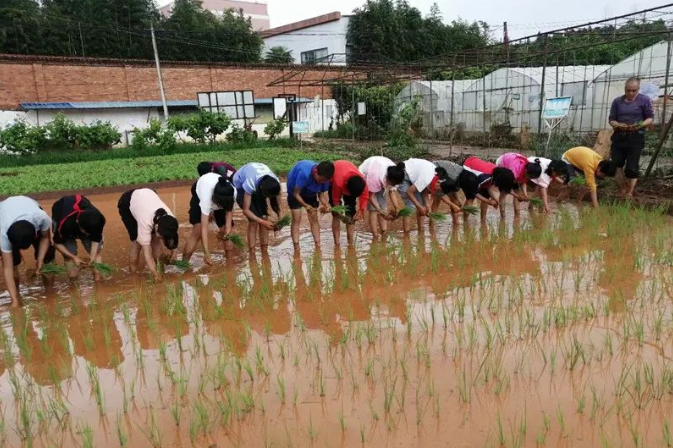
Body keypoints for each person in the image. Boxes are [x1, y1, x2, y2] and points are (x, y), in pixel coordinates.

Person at [0, 196, 54, 307]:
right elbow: (7, 268)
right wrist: (14, 300)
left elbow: (45, 238)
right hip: (5, 214)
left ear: (35, 234)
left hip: (29, 208)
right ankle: (16, 293)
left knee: (48, 255)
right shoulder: (3, 233)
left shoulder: (41, 217)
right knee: (13, 262)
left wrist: (40, 259)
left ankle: (49, 291)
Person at [117, 188, 179, 281]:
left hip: (149, 194)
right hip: (128, 202)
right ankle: (133, 275)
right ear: (156, 227)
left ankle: (161, 271)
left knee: (156, 240)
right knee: (137, 243)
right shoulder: (145, 221)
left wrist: (173, 250)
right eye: (161, 235)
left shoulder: (171, 220)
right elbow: (147, 254)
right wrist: (154, 275)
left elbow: (170, 235)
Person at [608, 77, 654, 199]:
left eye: (634, 90)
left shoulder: (644, 100)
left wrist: (639, 125)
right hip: (619, 137)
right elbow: (611, 119)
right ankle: (622, 189)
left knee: (632, 168)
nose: (631, 93)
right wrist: (618, 125)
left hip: (635, 138)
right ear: (625, 89)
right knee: (616, 164)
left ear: (638, 89)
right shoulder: (617, 102)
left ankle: (630, 192)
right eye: (628, 90)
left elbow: (649, 118)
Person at [183, 171, 236, 264]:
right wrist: (206, 252)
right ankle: (183, 264)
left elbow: (228, 217)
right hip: (200, 193)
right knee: (198, 230)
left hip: (221, 197)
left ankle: (230, 264)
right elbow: (204, 228)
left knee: (226, 232)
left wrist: (226, 233)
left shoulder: (232, 192)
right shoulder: (205, 198)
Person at [398, 158, 461, 232]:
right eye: (439, 190)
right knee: (410, 206)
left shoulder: (436, 178)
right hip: (404, 173)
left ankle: (420, 231)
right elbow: (409, 192)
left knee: (423, 205)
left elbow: (423, 189)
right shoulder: (427, 178)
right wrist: (420, 207)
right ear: (438, 183)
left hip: (416, 174)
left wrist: (427, 206)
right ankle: (406, 234)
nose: (437, 191)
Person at [51, 195, 106, 280]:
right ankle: (74, 283)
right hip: (64, 218)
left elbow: (96, 239)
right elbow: (57, 243)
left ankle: (98, 280)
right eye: (86, 232)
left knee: (96, 255)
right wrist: (74, 257)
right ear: (78, 223)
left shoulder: (97, 220)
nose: (88, 234)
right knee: (69, 258)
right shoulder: (64, 225)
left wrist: (92, 256)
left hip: (84, 222)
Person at [232, 162, 282, 251]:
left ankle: (264, 251)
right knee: (253, 222)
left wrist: (279, 222)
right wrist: (262, 222)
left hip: (258, 182)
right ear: (262, 190)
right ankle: (252, 253)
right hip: (241, 187)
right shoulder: (250, 182)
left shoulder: (275, 182)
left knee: (264, 217)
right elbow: (246, 210)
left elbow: (278, 206)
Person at [286, 160, 335, 249]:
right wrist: (306, 205)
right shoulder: (304, 174)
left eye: (324, 181)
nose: (321, 182)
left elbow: (321, 194)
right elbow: (296, 194)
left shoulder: (325, 178)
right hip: (294, 190)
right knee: (296, 219)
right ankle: (297, 249)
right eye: (320, 180)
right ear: (315, 171)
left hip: (310, 191)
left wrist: (326, 204)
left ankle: (318, 246)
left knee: (314, 219)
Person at [358, 156, 405, 238]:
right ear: (388, 179)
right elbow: (371, 196)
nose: (394, 185)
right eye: (392, 184)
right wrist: (379, 210)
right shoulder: (374, 177)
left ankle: (384, 233)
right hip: (366, 176)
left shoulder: (397, 173)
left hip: (379, 173)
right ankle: (375, 236)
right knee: (373, 210)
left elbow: (392, 191)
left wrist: (396, 208)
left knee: (383, 206)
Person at [434, 160, 499, 214]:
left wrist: (458, 204)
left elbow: (473, 192)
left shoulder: (460, 179)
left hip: (450, 172)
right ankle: (432, 221)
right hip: (436, 169)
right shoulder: (451, 180)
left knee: (457, 202)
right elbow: (440, 194)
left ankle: (456, 222)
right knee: (437, 200)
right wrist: (453, 205)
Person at [329, 160, 369, 246]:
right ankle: (337, 243)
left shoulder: (362, 183)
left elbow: (365, 196)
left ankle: (350, 243)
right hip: (334, 180)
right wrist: (340, 214)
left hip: (349, 180)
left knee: (351, 214)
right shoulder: (338, 182)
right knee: (335, 214)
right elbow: (336, 200)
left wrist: (361, 210)